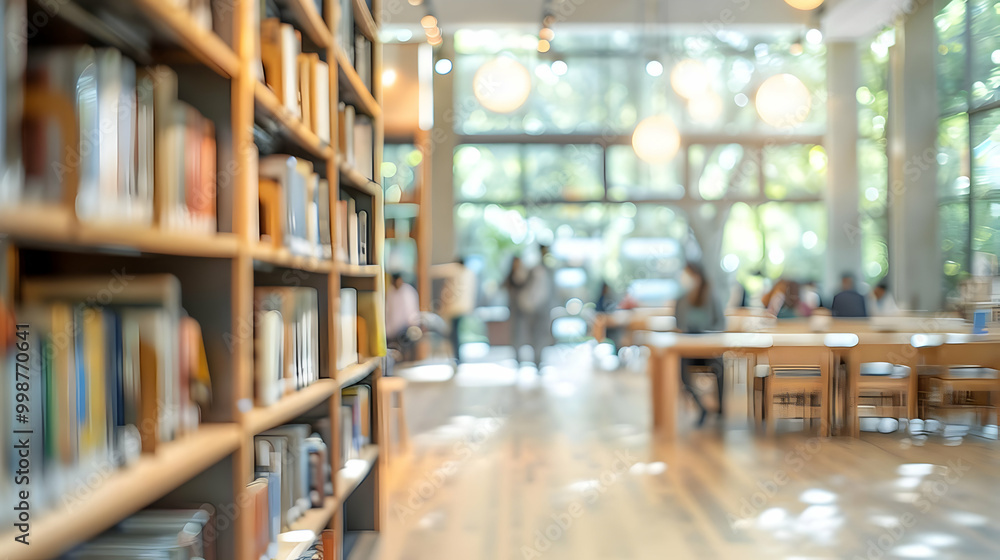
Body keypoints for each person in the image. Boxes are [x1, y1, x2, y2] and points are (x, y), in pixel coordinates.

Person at [674, 262, 726, 427]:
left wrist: (707, 333)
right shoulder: (681, 299)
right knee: (681, 372)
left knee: (720, 368)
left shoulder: (711, 296)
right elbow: (678, 325)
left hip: (709, 349)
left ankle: (721, 408)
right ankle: (702, 407)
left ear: (697, 276)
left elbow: (721, 324)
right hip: (689, 349)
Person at [514, 245, 555, 368]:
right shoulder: (532, 269)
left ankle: (538, 360)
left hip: (542, 307)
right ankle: (534, 359)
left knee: (540, 335)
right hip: (532, 308)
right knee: (531, 334)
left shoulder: (547, 270)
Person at [432, 258, 476, 364]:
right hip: (464, 308)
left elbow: (440, 271)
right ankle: (457, 357)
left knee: (454, 335)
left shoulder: (457, 271)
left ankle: (457, 357)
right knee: (456, 334)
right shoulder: (470, 273)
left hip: (455, 309)